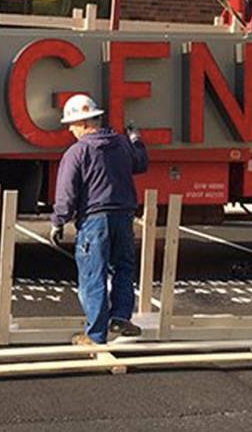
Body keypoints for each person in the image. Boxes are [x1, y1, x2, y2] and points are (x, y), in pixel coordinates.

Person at [50, 93, 149, 345]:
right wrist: (136, 138)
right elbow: (140, 163)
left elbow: (67, 192)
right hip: (124, 217)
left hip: (95, 221)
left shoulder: (78, 152)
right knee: (123, 269)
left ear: (84, 123)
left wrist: (58, 221)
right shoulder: (122, 144)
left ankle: (95, 336)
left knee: (93, 274)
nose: (70, 130)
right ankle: (120, 316)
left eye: (72, 124)